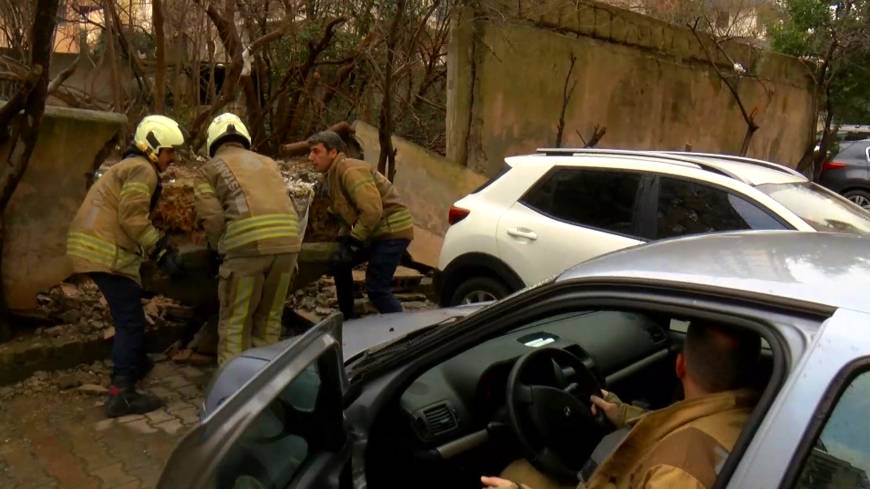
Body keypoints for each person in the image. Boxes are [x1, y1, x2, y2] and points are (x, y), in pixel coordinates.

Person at [482, 321, 762, 489]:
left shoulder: (678, 475)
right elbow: (677, 426)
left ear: (680, 365)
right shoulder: (747, 413)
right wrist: (623, 414)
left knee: (516, 471)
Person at [67, 114, 185, 418]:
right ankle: (122, 392)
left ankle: (136, 361)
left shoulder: (126, 166)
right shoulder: (142, 169)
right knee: (130, 320)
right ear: (153, 146)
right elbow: (132, 217)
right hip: (106, 251)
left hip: (92, 246)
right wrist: (159, 249)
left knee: (128, 312)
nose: (172, 158)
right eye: (170, 151)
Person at [194, 113, 301, 366]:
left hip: (246, 251)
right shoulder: (269, 162)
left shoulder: (209, 170)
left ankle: (233, 392)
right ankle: (265, 384)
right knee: (270, 319)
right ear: (244, 138)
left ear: (214, 143)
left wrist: (219, 247)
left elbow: (212, 218)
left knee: (236, 323)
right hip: (288, 247)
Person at [307, 130, 414, 319]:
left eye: (316, 152)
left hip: (391, 232)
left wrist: (354, 241)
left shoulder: (350, 170)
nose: (310, 157)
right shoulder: (331, 176)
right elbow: (345, 214)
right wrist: (343, 241)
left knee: (377, 288)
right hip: (375, 231)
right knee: (340, 265)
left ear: (333, 152)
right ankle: (348, 320)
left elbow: (372, 210)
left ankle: (407, 332)